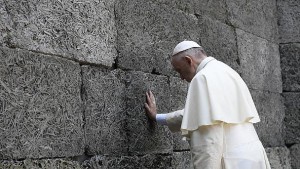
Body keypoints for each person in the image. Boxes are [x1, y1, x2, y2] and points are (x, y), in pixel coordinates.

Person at [144, 41, 271, 169]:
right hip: (254, 157)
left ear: (189, 61)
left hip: (230, 161)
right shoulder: (228, 71)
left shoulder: (202, 78)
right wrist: (156, 117)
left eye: (179, 70)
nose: (181, 77)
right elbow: (197, 115)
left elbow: (208, 138)